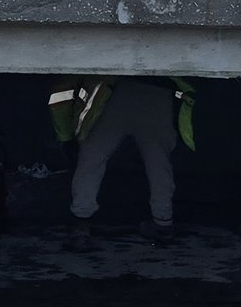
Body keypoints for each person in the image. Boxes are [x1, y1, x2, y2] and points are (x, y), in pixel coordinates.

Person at [51, 77, 195, 240]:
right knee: (159, 162)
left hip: (112, 89)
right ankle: (163, 221)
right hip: (158, 91)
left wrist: (66, 137)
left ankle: (80, 224)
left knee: (91, 159)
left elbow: (62, 93)